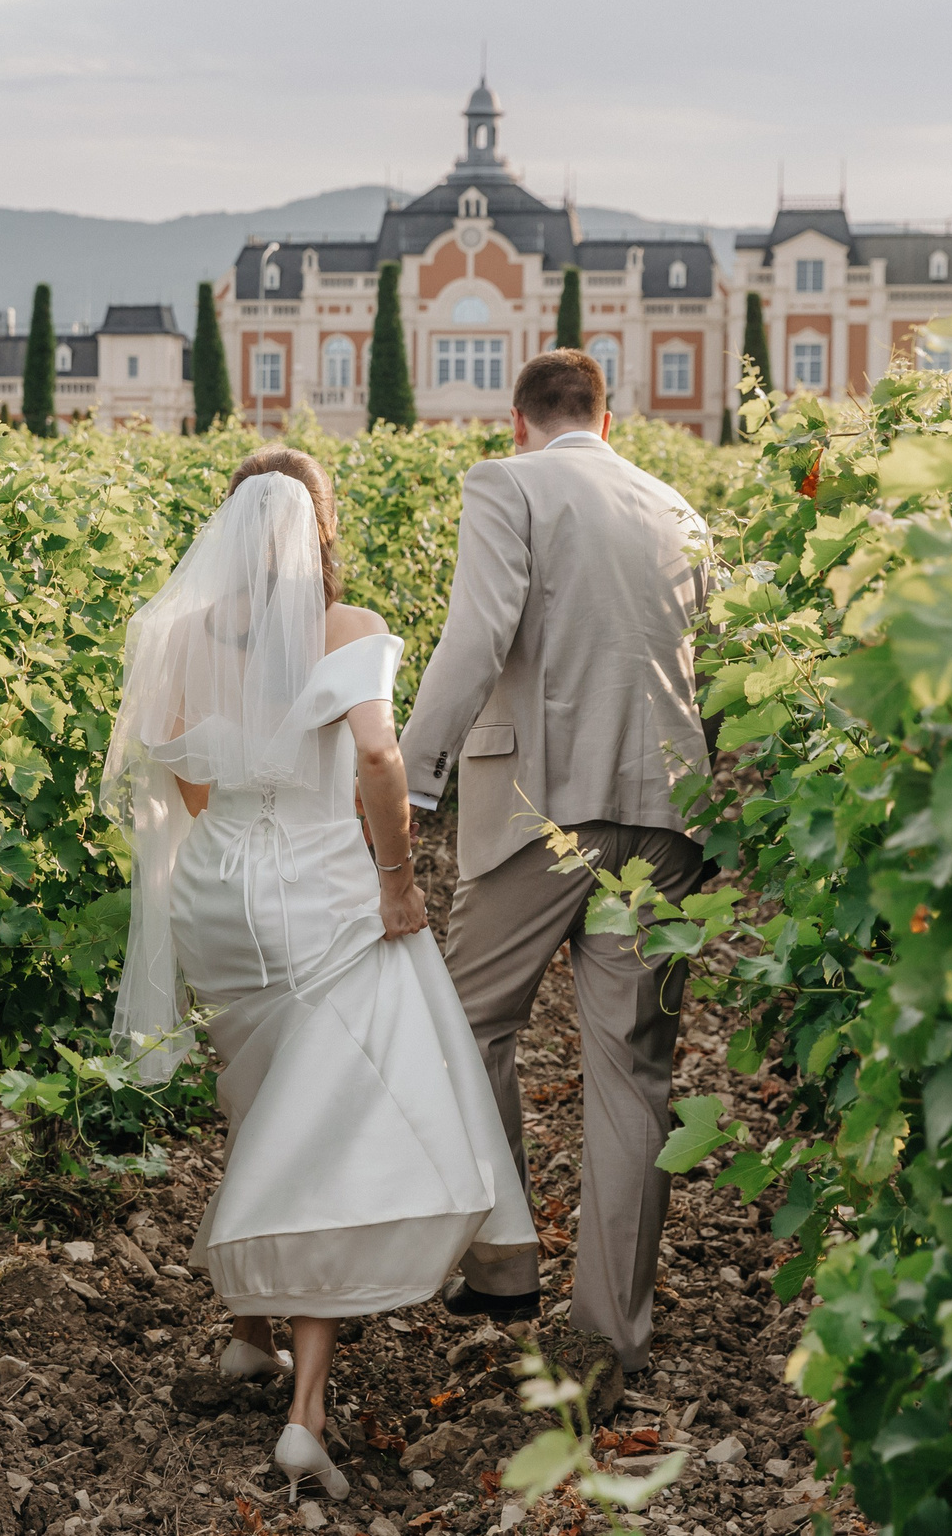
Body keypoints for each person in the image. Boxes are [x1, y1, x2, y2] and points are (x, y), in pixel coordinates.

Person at [106, 447, 535, 1504]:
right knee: (327, 1130)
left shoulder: (177, 637)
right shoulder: (345, 629)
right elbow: (379, 759)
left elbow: (188, 787)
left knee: (257, 1097)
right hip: (319, 897)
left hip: (216, 898)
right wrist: (398, 882)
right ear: (321, 529)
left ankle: (249, 1334)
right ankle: (304, 1413)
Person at [399, 349, 711, 1374]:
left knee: (466, 1022)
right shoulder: (680, 510)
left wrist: (411, 780)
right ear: (606, 420)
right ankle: (612, 1332)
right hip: (662, 814)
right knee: (634, 1072)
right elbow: (707, 668)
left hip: (541, 808)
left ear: (518, 419)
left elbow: (477, 633)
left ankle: (502, 1259)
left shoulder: (507, 484)